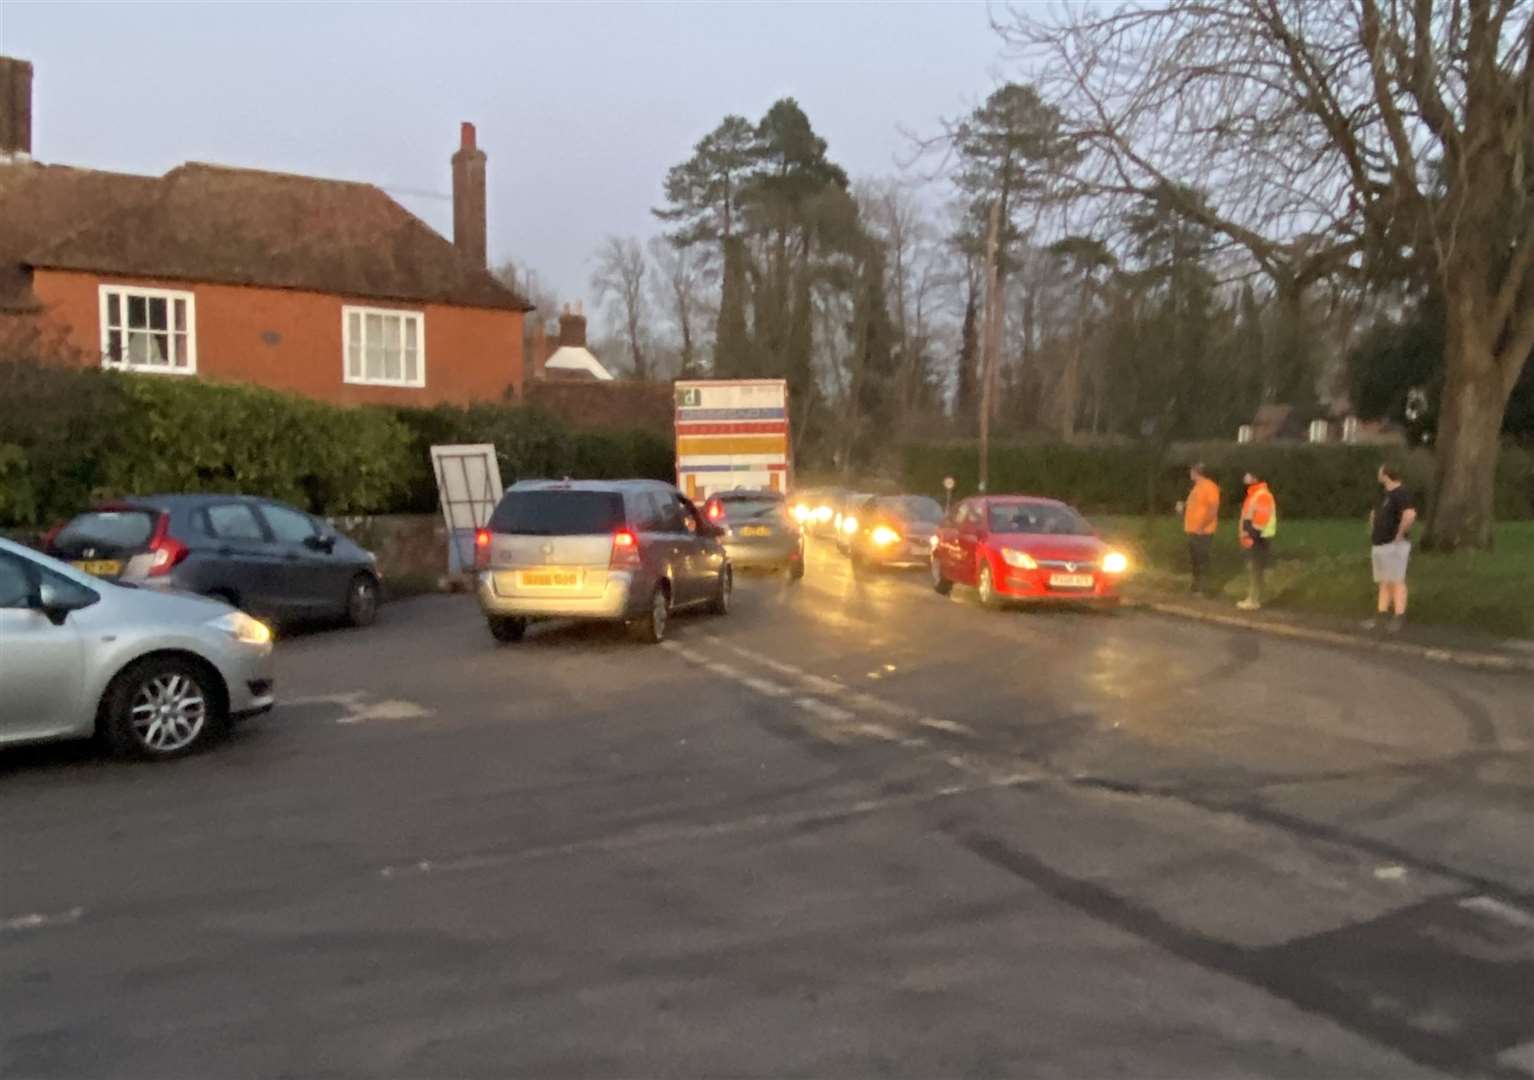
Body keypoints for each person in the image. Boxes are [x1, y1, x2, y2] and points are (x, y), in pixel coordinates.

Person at [1365, 463, 1417, 632]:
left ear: (1386, 475)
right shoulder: (1383, 494)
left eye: (1380, 472)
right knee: (1384, 581)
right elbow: (1375, 513)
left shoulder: (1401, 494)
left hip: (1393, 545)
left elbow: (1409, 514)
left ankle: (1399, 615)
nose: (1378, 475)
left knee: (1396, 580)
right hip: (1380, 543)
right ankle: (1381, 614)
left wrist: (1399, 535)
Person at [1237, 471, 1277, 610]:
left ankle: (1254, 600)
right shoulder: (1254, 494)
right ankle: (1252, 598)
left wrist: (1250, 534)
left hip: (1259, 537)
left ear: (1255, 477)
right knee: (1253, 568)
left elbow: (1261, 518)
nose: (1244, 477)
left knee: (1255, 568)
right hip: (1256, 535)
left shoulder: (1261, 495)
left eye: (1247, 475)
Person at [1180, 463, 1221, 595]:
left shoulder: (1209, 487)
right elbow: (1194, 506)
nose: (1190, 474)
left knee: (1203, 560)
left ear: (1196, 472)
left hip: (1203, 531)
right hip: (1193, 530)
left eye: (1191, 471)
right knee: (1195, 561)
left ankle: (1206, 590)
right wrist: (1182, 508)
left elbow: (1213, 509)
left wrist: (1202, 526)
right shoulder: (1197, 488)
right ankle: (1195, 587)